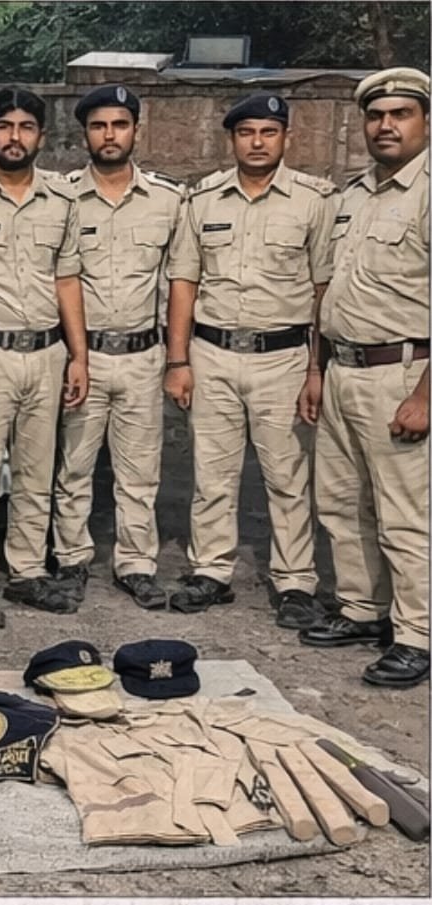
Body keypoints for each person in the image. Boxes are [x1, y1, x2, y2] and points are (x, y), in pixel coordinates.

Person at [164, 93, 336, 624]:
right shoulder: (204, 199)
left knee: (287, 475)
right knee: (212, 472)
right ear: (232, 139)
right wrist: (177, 361)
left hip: (283, 357)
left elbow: (322, 291)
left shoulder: (314, 201)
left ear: (287, 137)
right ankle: (211, 570)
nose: (257, 142)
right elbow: (184, 282)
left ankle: (295, 581)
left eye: (268, 132)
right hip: (212, 353)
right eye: (246, 133)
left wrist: (316, 368)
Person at [298, 68, 430, 688]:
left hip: (402, 372)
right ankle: (361, 609)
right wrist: (318, 368)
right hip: (344, 369)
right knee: (342, 503)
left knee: (406, 514)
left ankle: (417, 634)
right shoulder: (353, 195)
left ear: (425, 121)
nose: (386, 125)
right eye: (376, 116)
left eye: (401, 114)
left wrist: (424, 396)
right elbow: (330, 291)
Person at [0, 87, 87, 624]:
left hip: (47, 351)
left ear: (41, 137)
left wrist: (78, 356)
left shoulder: (61, 198)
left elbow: (67, 278)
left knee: (36, 471)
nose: (15, 137)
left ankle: (28, 570)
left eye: (26, 127)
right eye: (5, 126)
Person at [51, 85, 184, 610]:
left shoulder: (168, 200)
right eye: (99, 126)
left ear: (135, 130)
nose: (110, 135)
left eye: (120, 125)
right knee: (74, 467)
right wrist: (75, 355)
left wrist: (177, 359)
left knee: (139, 471)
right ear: (84, 133)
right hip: (82, 356)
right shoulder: (62, 196)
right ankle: (71, 559)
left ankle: (136, 563)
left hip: (143, 355)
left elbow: (176, 283)